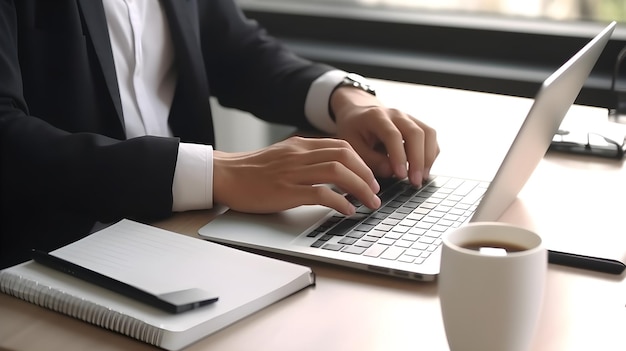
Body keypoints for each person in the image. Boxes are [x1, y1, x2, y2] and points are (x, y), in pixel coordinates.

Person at [0, 0, 439, 269]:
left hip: (184, 234)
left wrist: (344, 98)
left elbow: (233, 49)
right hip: (50, 251)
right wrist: (219, 173)